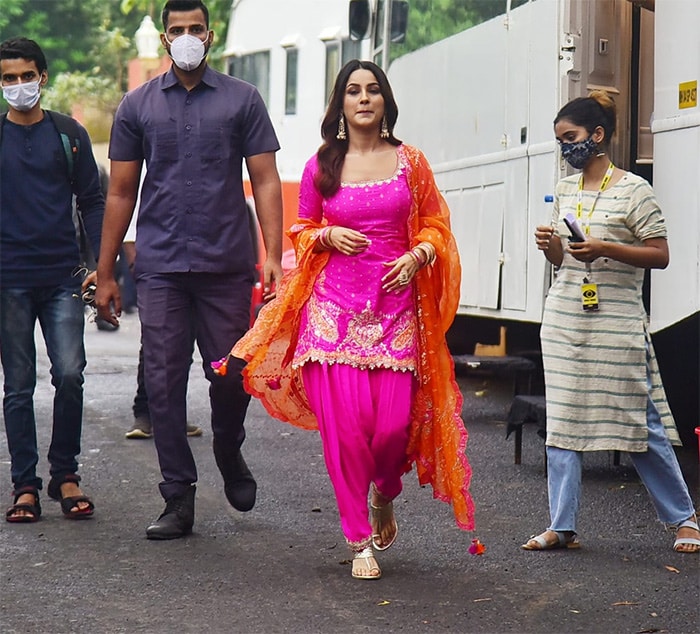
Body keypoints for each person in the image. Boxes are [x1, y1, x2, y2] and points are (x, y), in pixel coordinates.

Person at [227, 59, 475, 579]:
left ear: (385, 102)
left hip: (395, 316)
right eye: (353, 91)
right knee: (344, 434)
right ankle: (358, 538)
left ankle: (385, 492)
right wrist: (326, 236)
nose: (364, 98)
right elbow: (303, 227)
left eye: (373, 91)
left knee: (388, 432)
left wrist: (417, 257)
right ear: (340, 103)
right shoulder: (323, 164)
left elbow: (434, 224)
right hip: (331, 313)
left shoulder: (411, 162)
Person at [95, 0, 283, 540]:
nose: (185, 37)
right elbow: (120, 192)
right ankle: (178, 496)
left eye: (194, 28)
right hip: (160, 266)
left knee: (230, 374)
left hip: (226, 263)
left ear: (210, 33)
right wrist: (106, 272)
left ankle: (228, 445)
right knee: (162, 380)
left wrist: (272, 254)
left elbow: (266, 179)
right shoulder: (137, 106)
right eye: (175, 30)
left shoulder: (243, 100)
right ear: (163, 38)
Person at [526, 90, 699, 554]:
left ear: (597, 135)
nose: (566, 149)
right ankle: (562, 525)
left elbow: (659, 255)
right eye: (560, 141)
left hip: (617, 319)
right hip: (565, 317)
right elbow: (565, 260)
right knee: (562, 420)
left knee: (638, 420)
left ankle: (684, 518)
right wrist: (552, 246)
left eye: (571, 138)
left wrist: (606, 247)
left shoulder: (634, 189)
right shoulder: (564, 190)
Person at [0, 37, 103, 522]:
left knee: (69, 374)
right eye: (8, 79)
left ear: (42, 76)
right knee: (18, 385)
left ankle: (65, 474)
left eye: (26, 76)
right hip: (8, 281)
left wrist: (102, 265)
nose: (18, 86)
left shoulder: (69, 135)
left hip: (63, 277)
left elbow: (93, 200)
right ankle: (25, 485)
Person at [121, 192, 202, 440]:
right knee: (155, 343)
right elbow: (129, 203)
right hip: (155, 254)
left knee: (184, 342)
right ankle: (144, 411)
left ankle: (173, 411)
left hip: (194, 255)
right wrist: (133, 253)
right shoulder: (150, 157)